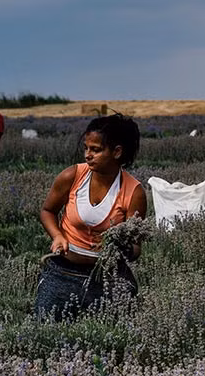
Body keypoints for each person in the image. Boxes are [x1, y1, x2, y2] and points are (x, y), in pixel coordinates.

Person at [35, 114, 147, 321]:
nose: (88, 155)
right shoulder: (72, 176)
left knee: (115, 333)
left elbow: (136, 247)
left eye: (95, 150)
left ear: (117, 152)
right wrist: (57, 236)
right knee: (46, 327)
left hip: (107, 277)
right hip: (63, 272)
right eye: (86, 148)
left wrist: (123, 247)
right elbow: (47, 211)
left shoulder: (134, 192)